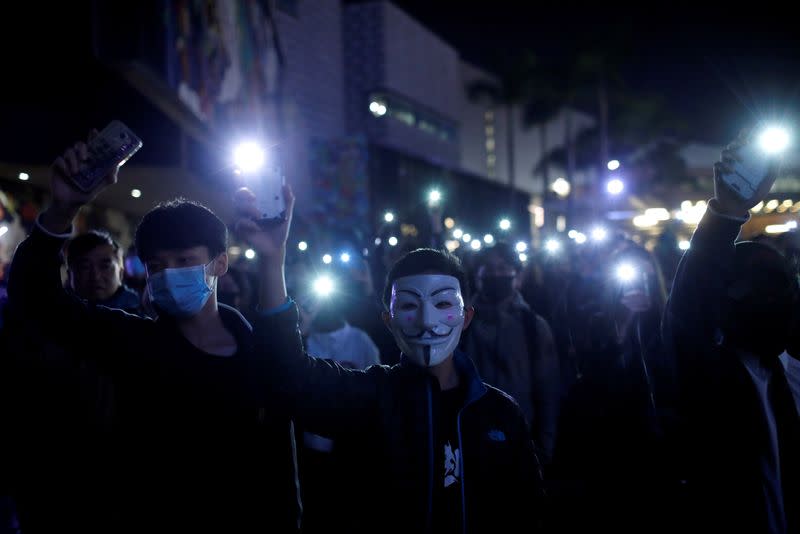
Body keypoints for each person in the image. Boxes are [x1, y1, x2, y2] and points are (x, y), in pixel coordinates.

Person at [4, 133, 301, 533]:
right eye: (158, 265)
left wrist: (273, 257)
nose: (170, 273)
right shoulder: (132, 341)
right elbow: (36, 298)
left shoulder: (258, 350)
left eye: (184, 260)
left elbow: (280, 464)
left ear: (218, 265)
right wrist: (62, 209)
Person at [236, 190, 544, 533]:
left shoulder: (501, 413)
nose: (427, 321)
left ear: (466, 316)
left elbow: (528, 513)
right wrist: (271, 260)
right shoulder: (370, 396)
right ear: (388, 320)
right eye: (409, 306)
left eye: (443, 304)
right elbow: (288, 376)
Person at [664, 132, 800, 534]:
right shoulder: (707, 372)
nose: (778, 300)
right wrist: (726, 212)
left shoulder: (792, 369)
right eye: (760, 290)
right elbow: (689, 304)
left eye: (786, 286)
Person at [460, 242, 560, 464]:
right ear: (477, 275)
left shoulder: (533, 326)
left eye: (503, 267)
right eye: (488, 267)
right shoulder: (460, 324)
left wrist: (543, 449)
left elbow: (547, 390)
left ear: (518, 276)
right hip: (468, 439)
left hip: (521, 441)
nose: (496, 273)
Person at [65, 230, 142, 314]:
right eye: (85, 267)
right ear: (70, 275)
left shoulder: (141, 316)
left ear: (120, 273)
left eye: (105, 266)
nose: (96, 277)